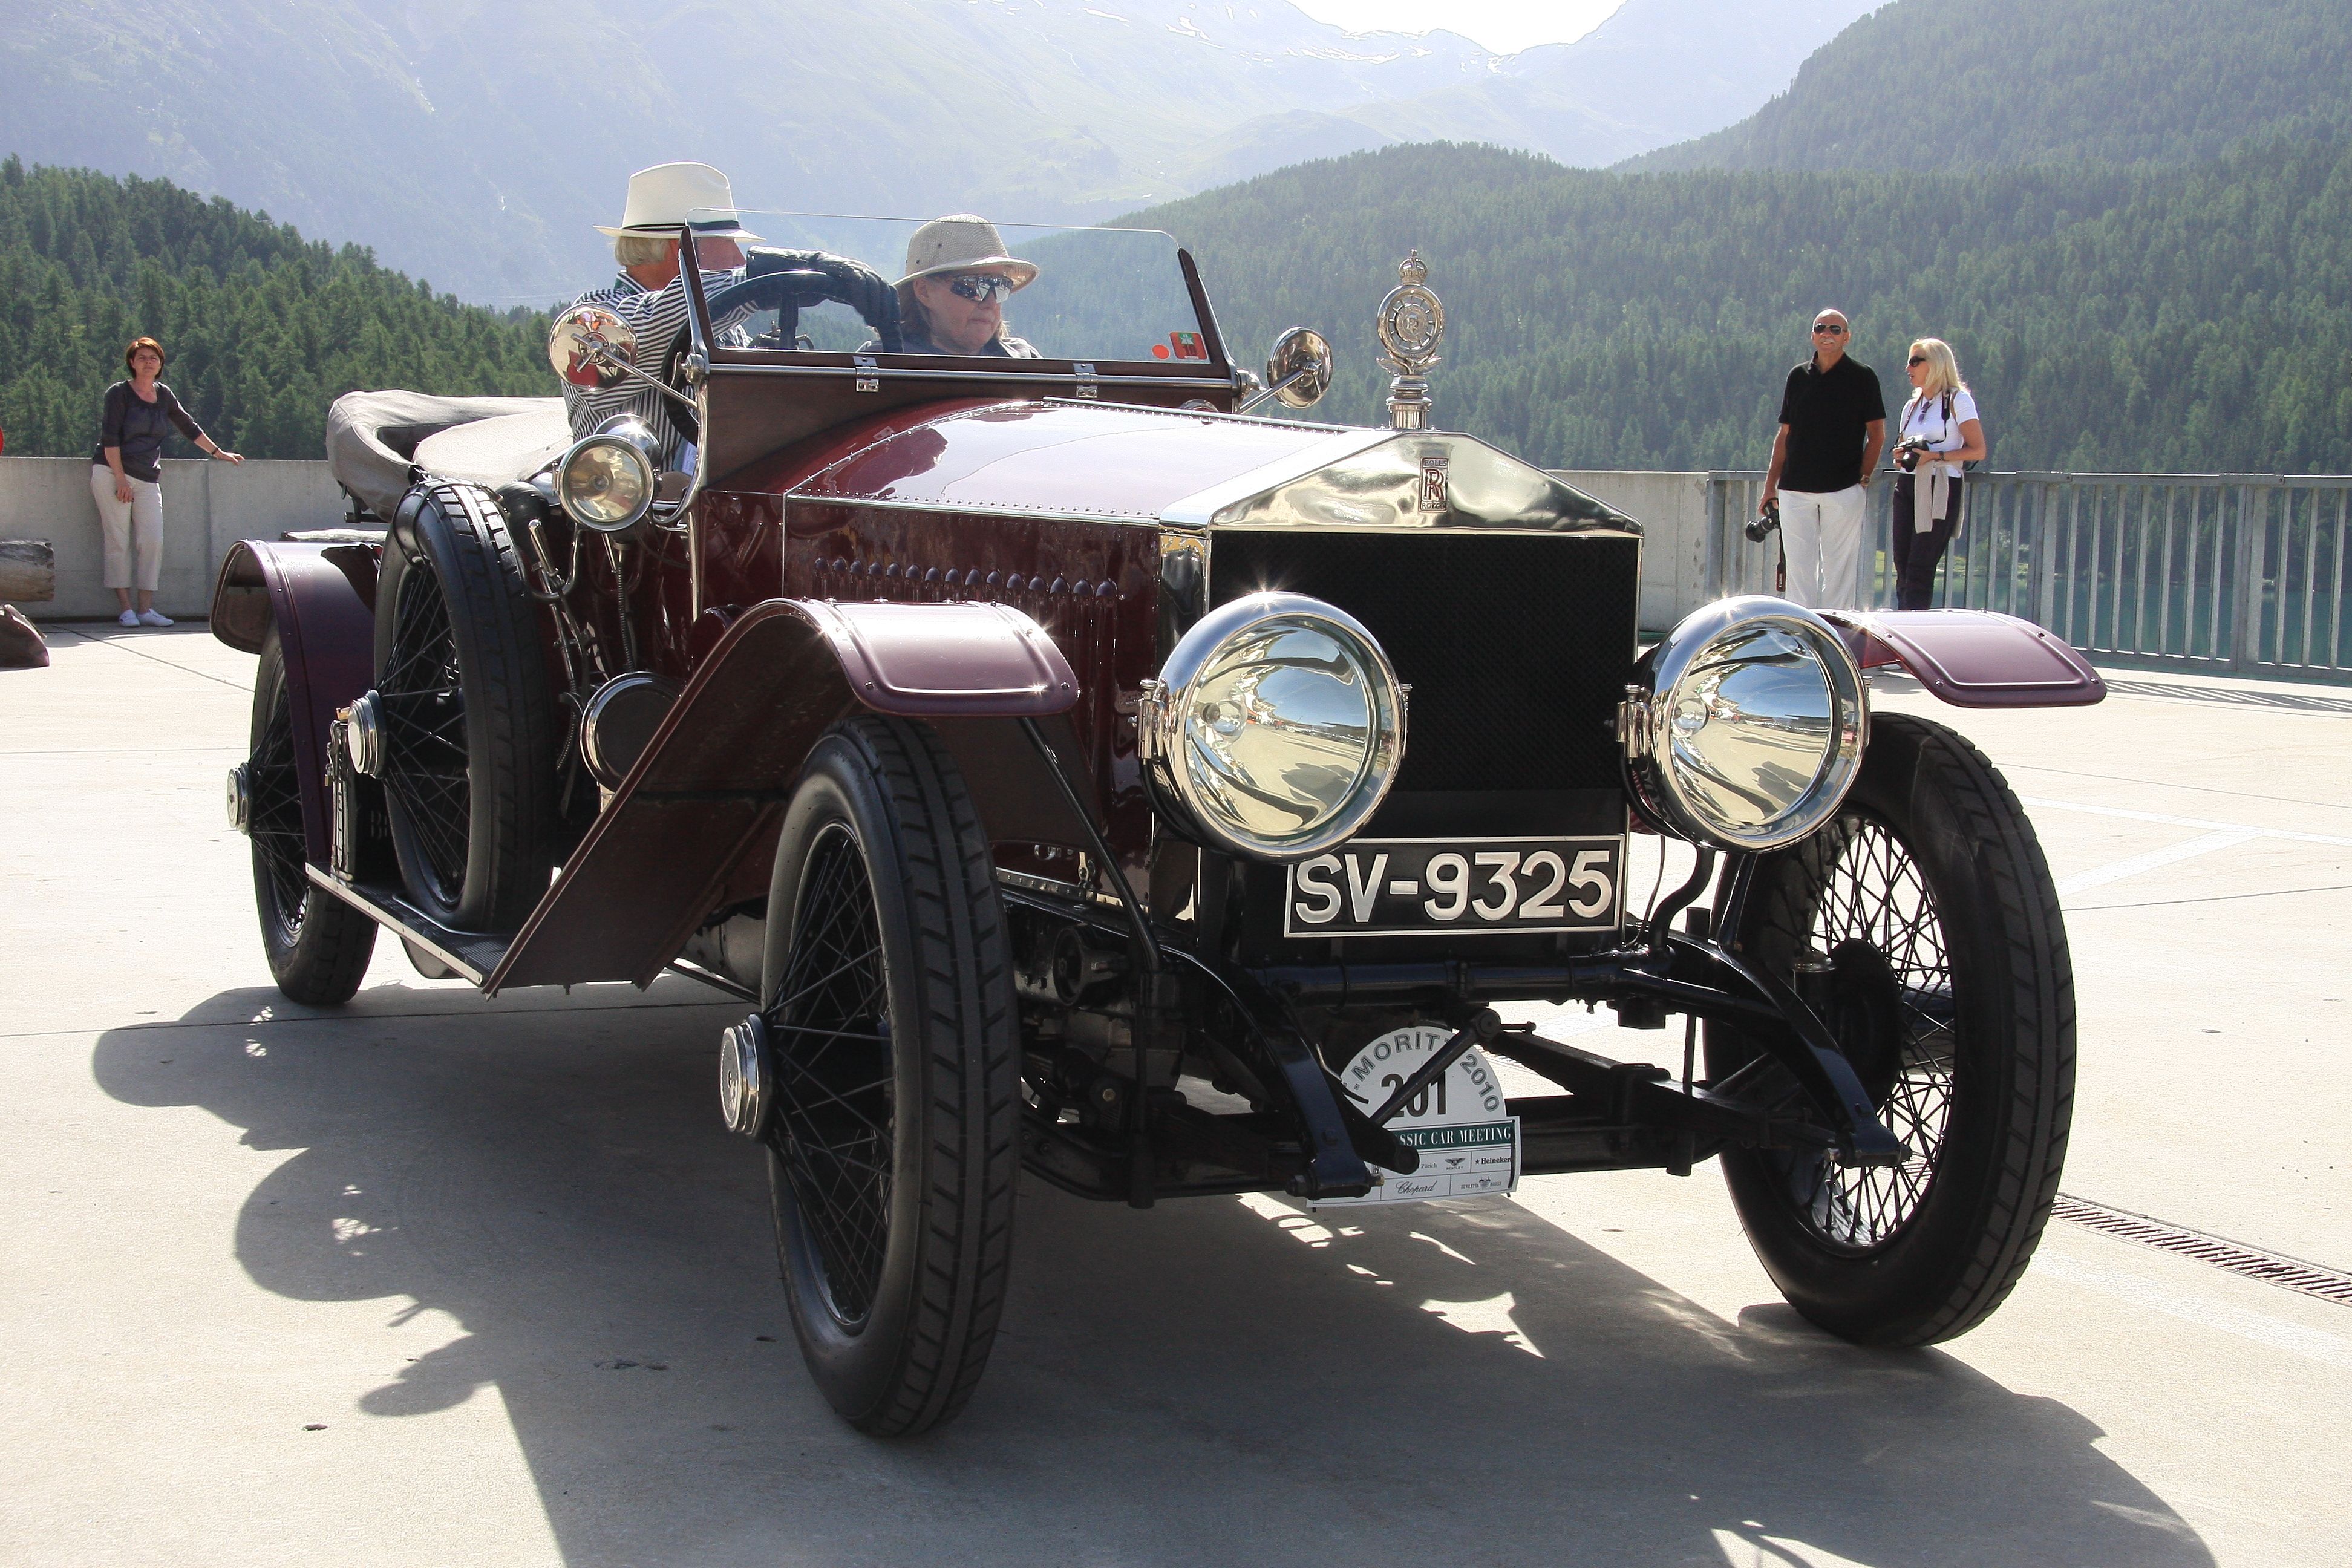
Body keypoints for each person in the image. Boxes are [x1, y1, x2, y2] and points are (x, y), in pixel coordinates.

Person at [563, 162, 763, 456]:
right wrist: (767, 281)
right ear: (682, 250)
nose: (739, 259)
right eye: (727, 243)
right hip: (646, 501)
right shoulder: (593, 318)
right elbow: (657, 323)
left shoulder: (726, 327)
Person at [90, 337, 242, 628]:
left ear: (160, 364)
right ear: (132, 363)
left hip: (147, 476)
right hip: (112, 472)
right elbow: (110, 438)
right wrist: (121, 480)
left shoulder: (164, 395)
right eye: (142, 358)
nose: (148, 362)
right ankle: (126, 610)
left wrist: (217, 452)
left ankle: (146, 609)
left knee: (152, 541)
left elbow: (188, 426)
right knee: (118, 541)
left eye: (154, 358)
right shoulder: (119, 394)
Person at [1760, 310, 1885, 611]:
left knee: (1839, 573)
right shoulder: (1798, 376)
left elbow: (1877, 435)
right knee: (1799, 575)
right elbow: (1784, 435)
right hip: (1794, 490)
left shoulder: (1863, 377)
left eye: (1835, 328)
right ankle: (1802, 639)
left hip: (1843, 490)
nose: (1827, 333)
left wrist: (1863, 479)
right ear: (1812, 335)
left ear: (1847, 336)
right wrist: (1770, 487)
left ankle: (1836, 638)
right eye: (1820, 328)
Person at [1889, 338, 1988, 612]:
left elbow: (1978, 450)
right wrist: (1902, 455)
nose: (1908, 367)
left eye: (1915, 361)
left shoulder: (1958, 400)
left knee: (1921, 565)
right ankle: (1905, 620)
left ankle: (1915, 629)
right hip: (1909, 483)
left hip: (1941, 485)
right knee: (1903, 565)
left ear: (1935, 364)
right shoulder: (1911, 407)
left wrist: (1936, 456)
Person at [892, 216, 1040, 358]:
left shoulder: (1026, 360)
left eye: (1001, 286)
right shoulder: (883, 364)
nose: (991, 303)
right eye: (974, 286)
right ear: (924, 291)